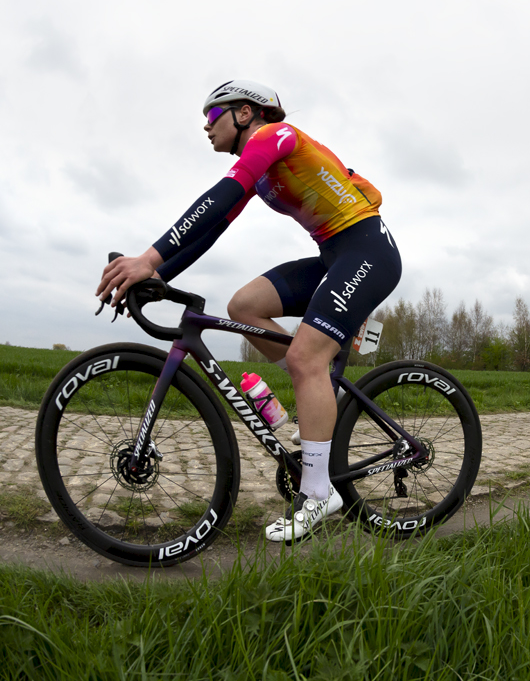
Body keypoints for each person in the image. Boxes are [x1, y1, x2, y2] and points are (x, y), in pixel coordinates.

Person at [96, 79, 402, 543]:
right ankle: (313, 399)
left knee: (305, 358)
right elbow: (212, 227)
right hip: (332, 256)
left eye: (211, 114)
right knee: (244, 306)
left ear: (243, 113)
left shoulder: (275, 137)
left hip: (368, 252)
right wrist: (157, 277)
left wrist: (148, 258)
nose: (205, 125)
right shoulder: (257, 171)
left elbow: (217, 198)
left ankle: (319, 493)